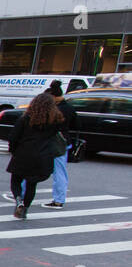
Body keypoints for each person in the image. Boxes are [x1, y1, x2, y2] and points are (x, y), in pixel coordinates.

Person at [6, 91, 65, 220]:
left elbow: (13, 137)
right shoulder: (55, 121)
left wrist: (13, 150)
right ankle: (25, 209)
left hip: (23, 153)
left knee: (16, 180)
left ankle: (18, 200)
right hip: (43, 156)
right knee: (32, 185)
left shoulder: (25, 119)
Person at [43, 79, 77, 209]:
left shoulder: (50, 109)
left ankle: (21, 194)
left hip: (48, 141)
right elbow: (77, 125)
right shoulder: (69, 108)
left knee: (31, 167)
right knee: (60, 172)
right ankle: (59, 200)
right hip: (63, 142)